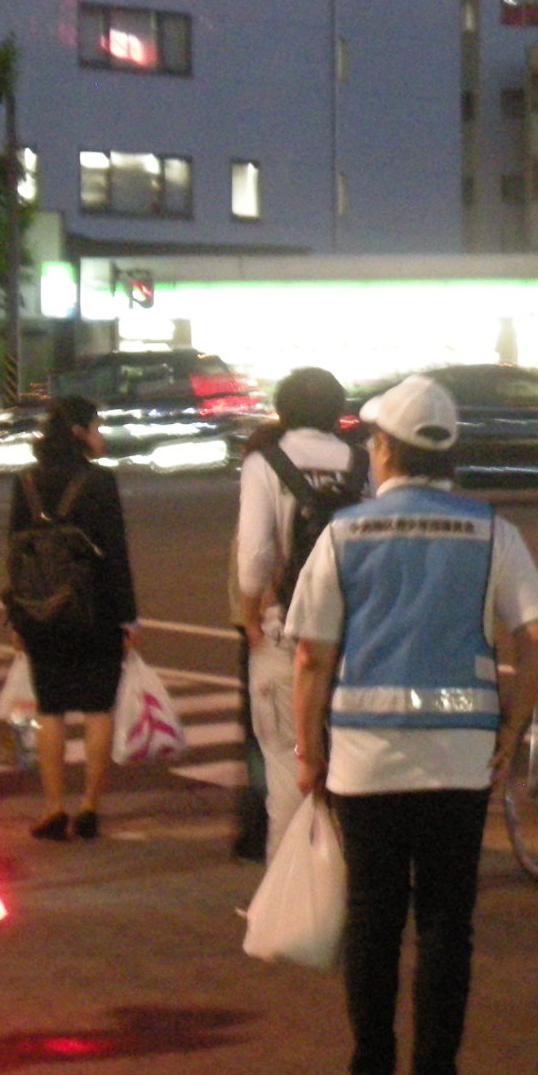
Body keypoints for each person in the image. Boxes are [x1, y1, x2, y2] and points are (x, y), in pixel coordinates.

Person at [286, 375, 538, 1075]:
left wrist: (307, 752)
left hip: (363, 758)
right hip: (460, 757)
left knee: (373, 916)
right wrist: (511, 723)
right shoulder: (490, 532)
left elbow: (310, 658)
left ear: (383, 449)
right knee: (446, 920)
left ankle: (368, 1074)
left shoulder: (345, 534)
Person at [235, 367, 365, 858]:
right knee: (354, 777)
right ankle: (350, 894)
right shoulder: (363, 462)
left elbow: (255, 557)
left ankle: (286, 914)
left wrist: (251, 618)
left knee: (289, 776)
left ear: (282, 410)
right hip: (357, 639)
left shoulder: (265, 463)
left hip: (289, 633)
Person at [8, 395, 139, 841]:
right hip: (95, 610)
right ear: (79, 432)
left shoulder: (25, 481)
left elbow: (15, 553)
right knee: (98, 709)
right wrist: (128, 617)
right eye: (97, 427)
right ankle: (89, 809)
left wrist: (15, 617)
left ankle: (53, 808)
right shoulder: (100, 483)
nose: (101, 436)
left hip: (41, 612)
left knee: (52, 711)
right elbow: (116, 554)